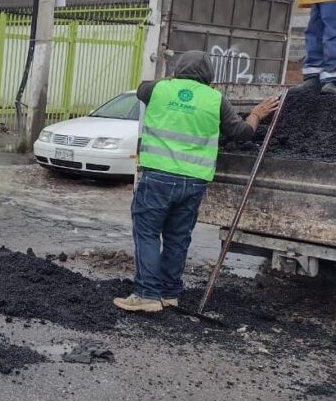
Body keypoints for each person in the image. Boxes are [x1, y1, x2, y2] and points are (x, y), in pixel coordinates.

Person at [113, 50, 279, 313]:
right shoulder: (216, 99)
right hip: (194, 183)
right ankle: (168, 293)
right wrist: (257, 114)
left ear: (177, 70)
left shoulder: (157, 90)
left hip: (158, 177)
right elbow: (242, 133)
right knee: (178, 238)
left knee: (147, 234)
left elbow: (141, 87)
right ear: (209, 75)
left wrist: (171, 79)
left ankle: (147, 294)